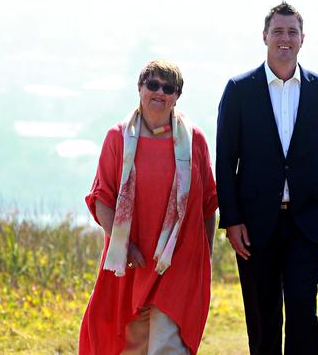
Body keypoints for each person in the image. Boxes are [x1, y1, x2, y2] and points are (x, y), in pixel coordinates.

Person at [216, 1, 318, 355]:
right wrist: (232, 220)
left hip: (307, 221)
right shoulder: (239, 89)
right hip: (254, 225)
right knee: (262, 316)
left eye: (292, 32)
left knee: (304, 312)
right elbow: (226, 161)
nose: (284, 39)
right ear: (264, 36)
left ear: (302, 38)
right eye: (278, 31)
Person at [79, 60, 218, 355]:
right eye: (152, 85)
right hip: (130, 260)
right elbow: (102, 198)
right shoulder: (117, 138)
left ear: (177, 96)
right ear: (140, 89)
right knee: (131, 344)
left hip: (179, 261)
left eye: (168, 88)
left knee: (170, 345)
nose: (160, 93)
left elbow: (208, 204)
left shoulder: (195, 141)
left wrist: (204, 258)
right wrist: (124, 245)